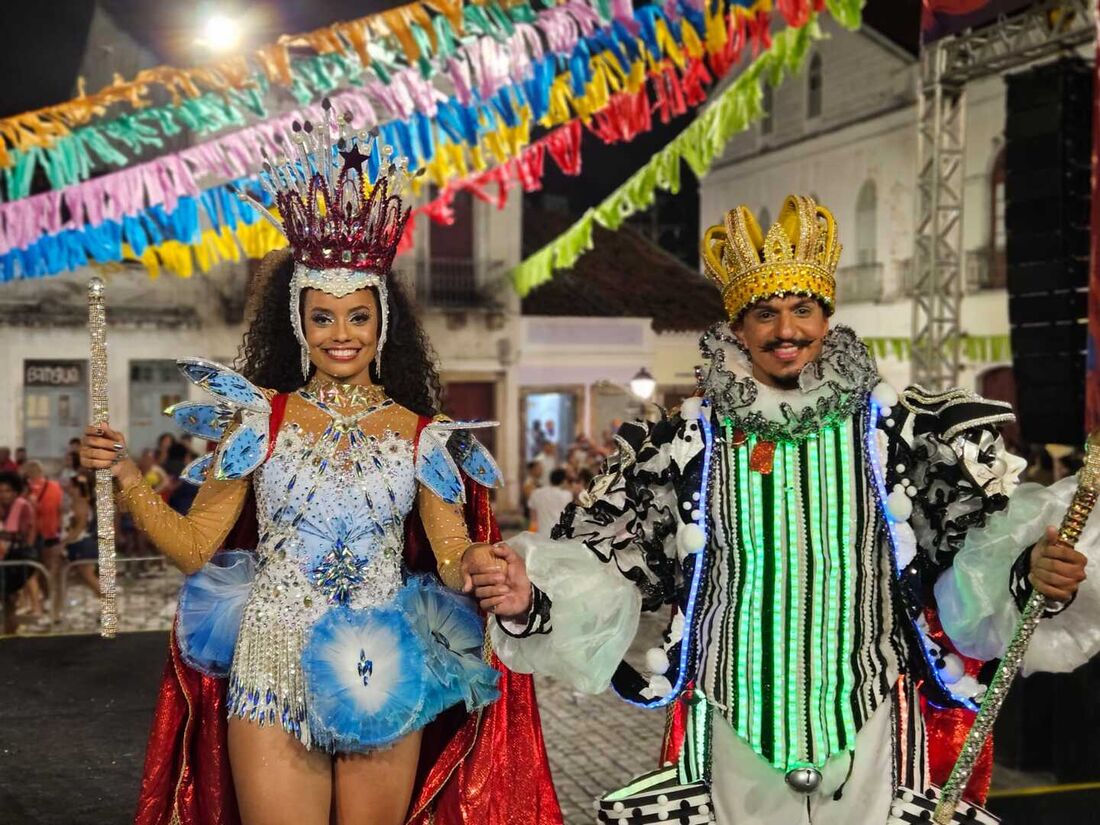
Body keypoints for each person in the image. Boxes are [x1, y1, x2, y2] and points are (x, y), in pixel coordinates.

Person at [472, 195, 1099, 824]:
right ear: (738, 328)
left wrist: (1026, 571)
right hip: (729, 720)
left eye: (803, 310)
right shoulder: (686, 447)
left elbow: (964, 574)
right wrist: (533, 595)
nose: (787, 332)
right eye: (766, 314)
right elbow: (610, 573)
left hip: (869, 717)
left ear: (827, 317)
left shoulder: (900, 436)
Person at [80, 120, 558, 825]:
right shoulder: (258, 422)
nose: (342, 333)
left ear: (382, 322)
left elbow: (450, 555)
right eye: (325, 315)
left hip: (384, 665)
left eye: (358, 316)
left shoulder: (421, 435)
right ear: (299, 320)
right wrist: (123, 471)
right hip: (273, 658)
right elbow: (193, 547)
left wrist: (484, 562)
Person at [22, 461, 63, 616]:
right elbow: (60, 509)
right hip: (52, 532)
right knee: (48, 569)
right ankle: (49, 600)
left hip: (37, 533)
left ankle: (39, 602)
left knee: (34, 570)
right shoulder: (55, 486)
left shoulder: (30, 490)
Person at [0, 471, 35, 634]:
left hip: (15, 558)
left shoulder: (23, 506)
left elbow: (23, 533)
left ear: (15, 491)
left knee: (10, 599)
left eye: (7, 491)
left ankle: (10, 633)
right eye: (1, 491)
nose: (3, 495)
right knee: (7, 600)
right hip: (4, 558)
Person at [61, 473, 100, 598]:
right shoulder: (73, 503)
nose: (69, 488)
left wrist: (64, 542)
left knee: (89, 577)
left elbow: (79, 527)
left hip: (82, 544)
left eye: (72, 486)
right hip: (76, 543)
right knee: (85, 578)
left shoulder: (81, 504)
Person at [526, 468, 574, 538]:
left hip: (541, 534)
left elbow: (533, 517)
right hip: (559, 536)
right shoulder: (567, 495)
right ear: (564, 481)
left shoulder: (536, 493)